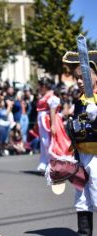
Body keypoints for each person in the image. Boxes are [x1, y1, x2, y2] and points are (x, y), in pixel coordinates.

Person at [62, 50, 97, 235]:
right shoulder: (79, 101)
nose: (80, 81)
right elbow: (77, 130)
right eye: (77, 78)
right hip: (82, 155)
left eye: (84, 77)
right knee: (82, 198)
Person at [36, 77, 71, 171]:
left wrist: (52, 125)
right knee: (43, 143)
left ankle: (51, 162)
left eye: (40, 86)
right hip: (43, 121)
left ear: (44, 86)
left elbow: (52, 111)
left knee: (48, 142)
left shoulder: (51, 96)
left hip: (48, 121)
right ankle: (44, 162)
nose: (38, 87)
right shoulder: (45, 95)